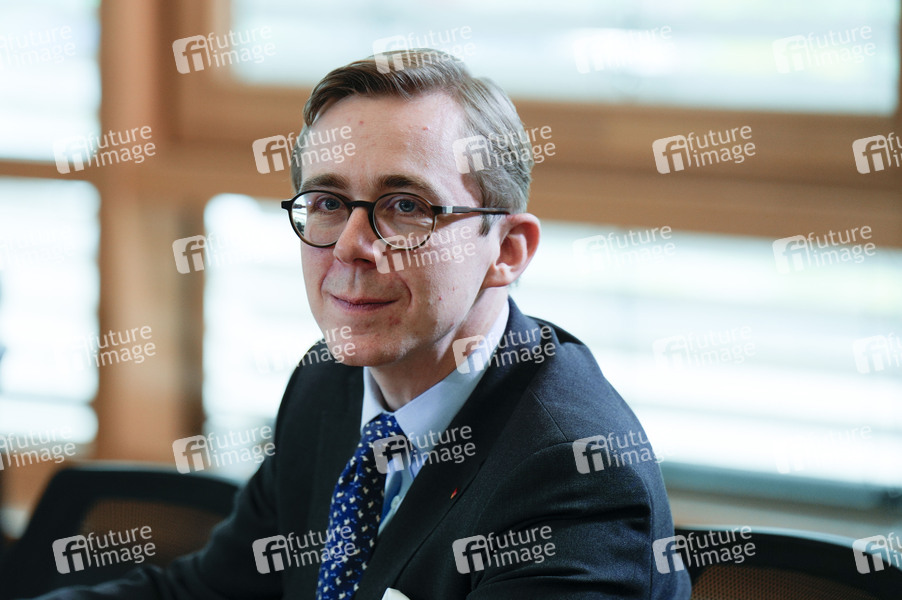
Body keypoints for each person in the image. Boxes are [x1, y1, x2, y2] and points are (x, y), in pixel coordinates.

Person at [29, 49, 691, 599]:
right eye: (326, 201)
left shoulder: (573, 475)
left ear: (507, 251)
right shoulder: (327, 384)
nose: (349, 245)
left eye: (405, 205)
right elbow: (207, 590)